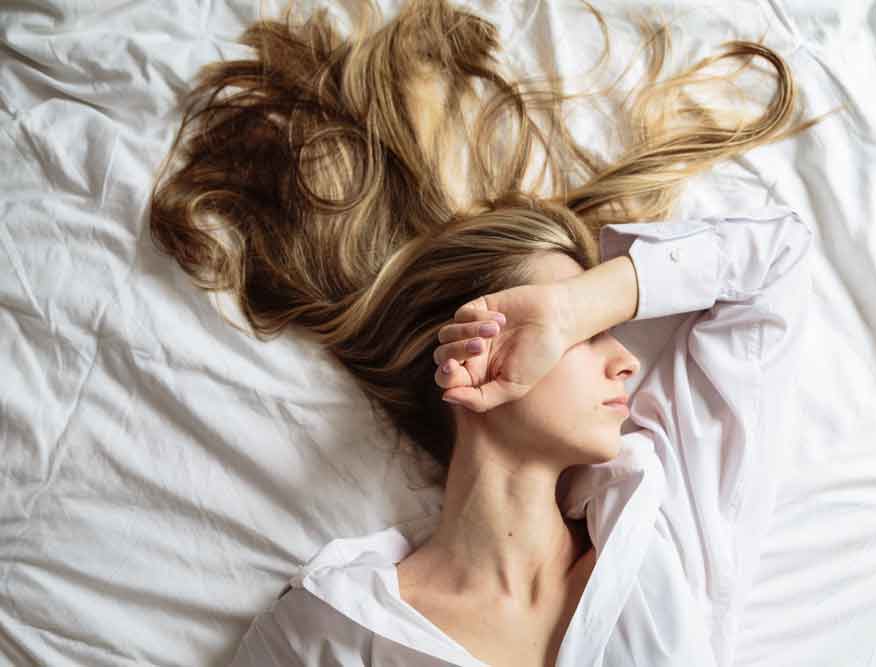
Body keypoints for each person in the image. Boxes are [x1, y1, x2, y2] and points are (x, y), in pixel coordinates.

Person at [147, 0, 838, 665]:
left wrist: (576, 309)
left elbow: (775, 261)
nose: (624, 360)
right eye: (586, 330)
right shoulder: (328, 627)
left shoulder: (661, 528)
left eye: (600, 324)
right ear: (473, 343)